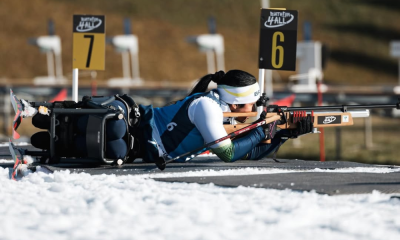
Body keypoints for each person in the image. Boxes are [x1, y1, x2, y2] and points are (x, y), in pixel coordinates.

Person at [25, 69, 313, 164]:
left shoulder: (215, 108)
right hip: (135, 134)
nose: (256, 110)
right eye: (253, 104)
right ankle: (37, 113)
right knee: (111, 137)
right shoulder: (208, 108)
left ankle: (40, 132)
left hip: (141, 147)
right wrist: (263, 131)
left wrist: (283, 134)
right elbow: (228, 153)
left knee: (112, 146)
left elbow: (246, 153)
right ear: (238, 102)